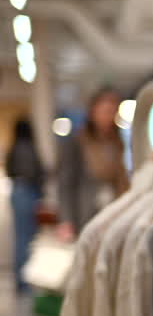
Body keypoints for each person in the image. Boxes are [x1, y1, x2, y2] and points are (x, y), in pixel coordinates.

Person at [57, 87, 129, 239]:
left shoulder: (117, 142)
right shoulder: (78, 141)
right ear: (93, 112)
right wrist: (66, 220)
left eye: (112, 111)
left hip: (112, 209)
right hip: (85, 211)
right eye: (105, 111)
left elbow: (121, 178)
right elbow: (66, 181)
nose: (108, 116)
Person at [6, 119, 44, 294]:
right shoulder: (27, 147)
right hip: (27, 191)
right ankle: (24, 280)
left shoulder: (14, 147)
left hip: (16, 191)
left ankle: (21, 280)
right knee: (26, 238)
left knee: (20, 237)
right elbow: (34, 172)